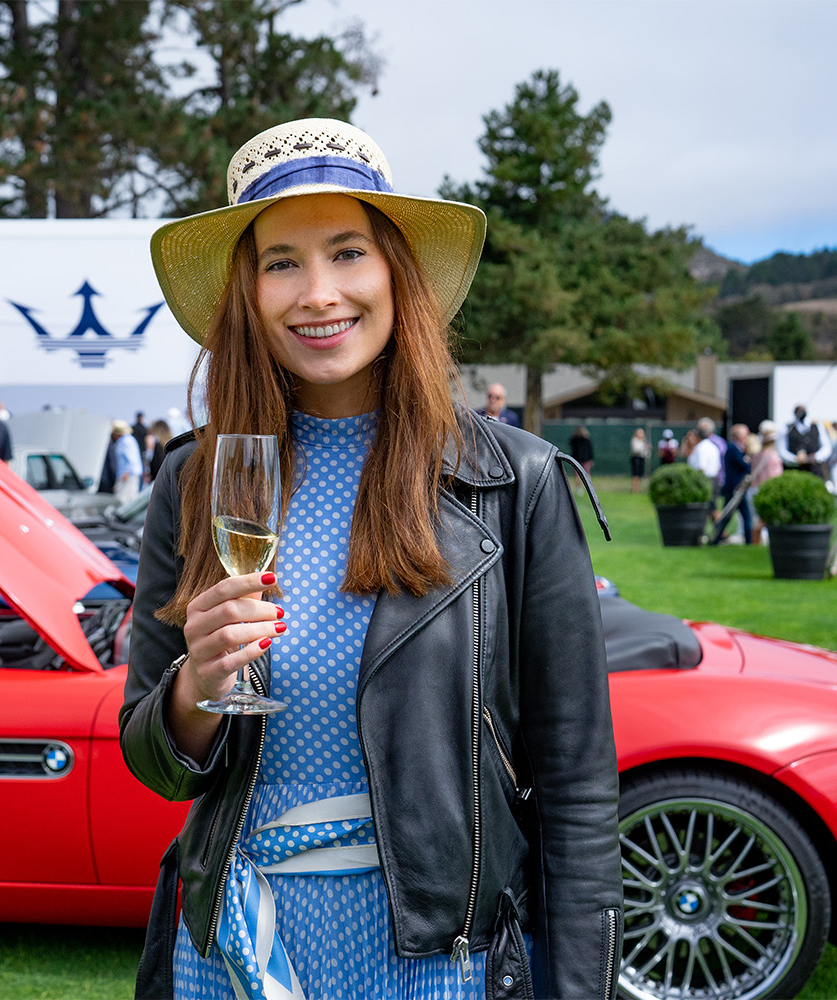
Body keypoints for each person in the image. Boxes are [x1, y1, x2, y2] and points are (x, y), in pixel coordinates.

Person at [119, 119, 619, 999]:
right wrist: (195, 687)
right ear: (247, 291)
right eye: (281, 262)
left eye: (348, 252)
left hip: (439, 964)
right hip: (233, 948)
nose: (319, 293)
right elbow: (153, 761)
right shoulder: (195, 480)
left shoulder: (514, 482)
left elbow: (578, 793)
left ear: (396, 270)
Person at [713, 423, 752, 544]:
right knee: (734, 516)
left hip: (736, 488)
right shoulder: (732, 449)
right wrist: (748, 459)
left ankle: (718, 538)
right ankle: (748, 540)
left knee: (731, 516)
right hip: (735, 489)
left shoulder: (737, 449)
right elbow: (744, 465)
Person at [749, 421, 784, 544]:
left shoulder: (757, 454)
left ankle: (757, 541)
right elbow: (775, 477)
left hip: (755, 489)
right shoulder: (773, 455)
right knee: (765, 519)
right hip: (767, 489)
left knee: (758, 519)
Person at [779, 404, 829, 477]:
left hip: (815, 472)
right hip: (794, 472)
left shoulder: (818, 427)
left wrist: (815, 457)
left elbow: (826, 447)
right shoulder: (787, 428)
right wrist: (795, 459)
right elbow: (781, 450)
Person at [687, 417, 725, 503]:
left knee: (705, 506)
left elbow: (701, 467)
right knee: (712, 507)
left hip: (704, 480)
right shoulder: (712, 446)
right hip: (714, 479)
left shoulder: (701, 447)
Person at [111, 419, 142, 504]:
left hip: (127, 476)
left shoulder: (125, 442)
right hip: (129, 475)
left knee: (124, 499)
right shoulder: (129, 439)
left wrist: (126, 474)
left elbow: (131, 459)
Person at [629, 427, 649, 493]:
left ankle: (638, 488)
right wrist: (644, 447)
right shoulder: (634, 440)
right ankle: (634, 488)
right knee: (635, 474)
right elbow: (636, 450)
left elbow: (646, 452)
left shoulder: (643, 441)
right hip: (636, 458)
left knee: (640, 474)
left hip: (641, 458)